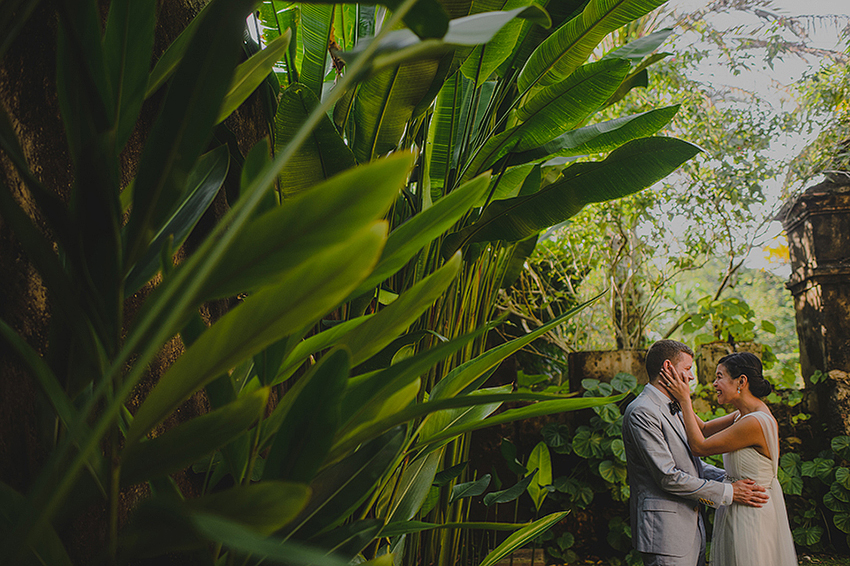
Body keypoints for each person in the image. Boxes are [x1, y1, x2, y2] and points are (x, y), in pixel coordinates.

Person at [622, 340, 769, 566]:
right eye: (688, 369)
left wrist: (734, 480)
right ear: (668, 368)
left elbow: (692, 463)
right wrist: (729, 491)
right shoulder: (642, 411)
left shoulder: (675, 405)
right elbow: (668, 477)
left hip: (692, 529)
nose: (691, 377)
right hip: (665, 532)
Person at [660, 351, 797, 566]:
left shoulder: (755, 422)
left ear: (741, 381)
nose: (714, 383)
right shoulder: (741, 415)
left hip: (752, 512)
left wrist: (685, 399)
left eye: (719, 376)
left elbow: (699, 446)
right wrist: (676, 397)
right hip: (738, 504)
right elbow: (703, 429)